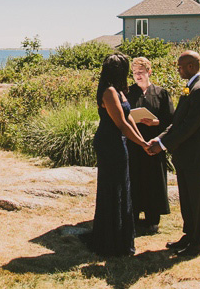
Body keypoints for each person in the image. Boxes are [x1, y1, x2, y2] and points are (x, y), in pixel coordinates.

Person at [146, 50, 200, 257]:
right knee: (187, 200)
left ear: (192, 67)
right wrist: (158, 139)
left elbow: (189, 127)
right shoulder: (191, 87)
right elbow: (178, 122)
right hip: (186, 156)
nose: (178, 69)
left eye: (181, 66)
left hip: (197, 156)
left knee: (198, 202)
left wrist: (162, 145)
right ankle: (189, 235)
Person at [86, 52, 149, 257]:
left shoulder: (120, 91)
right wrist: (141, 143)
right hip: (109, 142)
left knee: (123, 186)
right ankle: (110, 240)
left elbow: (129, 118)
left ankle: (120, 236)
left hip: (118, 141)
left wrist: (142, 141)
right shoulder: (109, 92)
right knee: (113, 188)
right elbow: (120, 124)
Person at [125, 57, 174, 236]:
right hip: (135, 143)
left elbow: (171, 121)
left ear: (149, 72)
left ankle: (153, 219)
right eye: (135, 73)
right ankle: (134, 217)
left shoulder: (161, 93)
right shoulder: (129, 92)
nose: (137, 76)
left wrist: (155, 123)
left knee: (153, 180)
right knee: (135, 178)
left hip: (154, 143)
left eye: (141, 72)